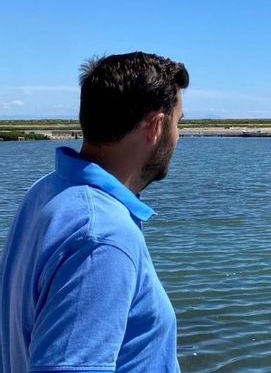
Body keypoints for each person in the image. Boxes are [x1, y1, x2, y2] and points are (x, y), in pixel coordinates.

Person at [0, 52, 189, 372]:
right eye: (178, 123)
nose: (178, 136)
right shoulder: (101, 234)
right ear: (156, 127)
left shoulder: (47, 192)